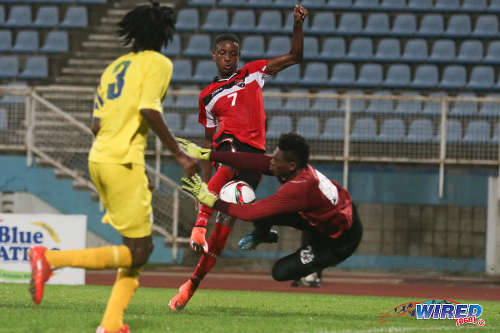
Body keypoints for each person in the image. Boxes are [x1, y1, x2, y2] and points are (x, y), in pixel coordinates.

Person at [27, 3, 198, 333]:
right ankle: (50, 260)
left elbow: (96, 124)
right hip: (121, 160)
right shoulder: (159, 63)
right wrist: (179, 154)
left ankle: (111, 323)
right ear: (165, 35)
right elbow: (149, 109)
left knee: (132, 247)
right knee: (140, 251)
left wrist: (140, 167)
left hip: (101, 157)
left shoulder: (114, 67)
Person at [168, 5, 309, 311]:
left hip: (253, 159)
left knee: (222, 230)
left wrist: (297, 25)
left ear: (239, 56)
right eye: (223, 53)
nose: (229, 58)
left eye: (234, 53)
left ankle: (198, 248)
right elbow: (208, 144)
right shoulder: (207, 96)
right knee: (226, 158)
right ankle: (191, 280)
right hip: (227, 156)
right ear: (214, 55)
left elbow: (295, 56)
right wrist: (206, 187)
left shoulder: (254, 73)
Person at [178, 133, 363, 289]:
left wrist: (211, 200)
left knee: (280, 272)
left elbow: (251, 213)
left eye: (276, 160)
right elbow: (251, 161)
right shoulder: (293, 169)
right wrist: (210, 155)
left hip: (340, 240)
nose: (271, 162)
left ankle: (317, 263)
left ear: (291, 165)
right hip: (319, 220)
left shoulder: (300, 187)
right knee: (265, 211)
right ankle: (263, 234)